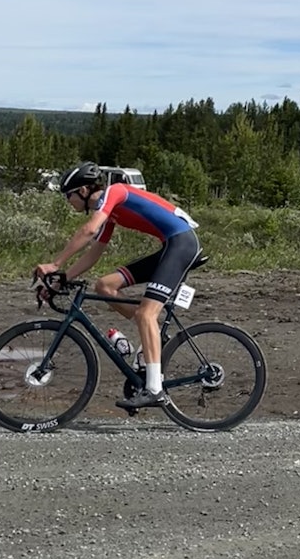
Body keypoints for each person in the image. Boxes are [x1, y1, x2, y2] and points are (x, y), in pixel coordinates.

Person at [32, 161, 203, 409]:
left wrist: (56, 263)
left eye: (68, 195)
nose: (67, 201)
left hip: (182, 245)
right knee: (105, 286)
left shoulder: (116, 192)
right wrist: (63, 279)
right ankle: (151, 335)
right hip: (171, 246)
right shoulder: (110, 214)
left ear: (83, 190)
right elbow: (94, 253)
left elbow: (89, 230)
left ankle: (155, 389)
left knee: (146, 313)